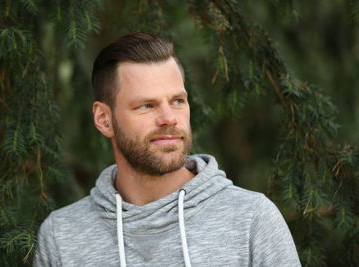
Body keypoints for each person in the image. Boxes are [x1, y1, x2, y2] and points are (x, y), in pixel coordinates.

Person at [34, 32, 301, 267]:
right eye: (146, 105)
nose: (169, 118)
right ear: (104, 119)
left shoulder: (251, 220)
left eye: (177, 101)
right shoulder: (62, 236)